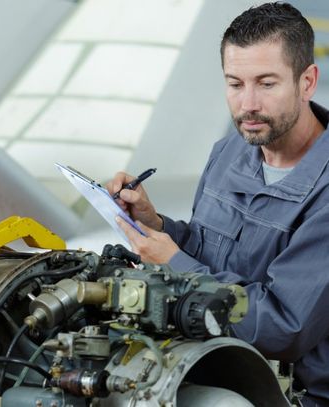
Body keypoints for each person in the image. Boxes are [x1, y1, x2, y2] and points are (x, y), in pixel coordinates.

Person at [108, 3, 329, 406]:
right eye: (234, 83)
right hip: (211, 359)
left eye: (266, 83)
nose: (248, 105)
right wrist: (157, 224)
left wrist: (172, 261)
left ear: (307, 82)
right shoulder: (230, 151)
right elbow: (208, 252)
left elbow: (284, 327)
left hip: (293, 394)